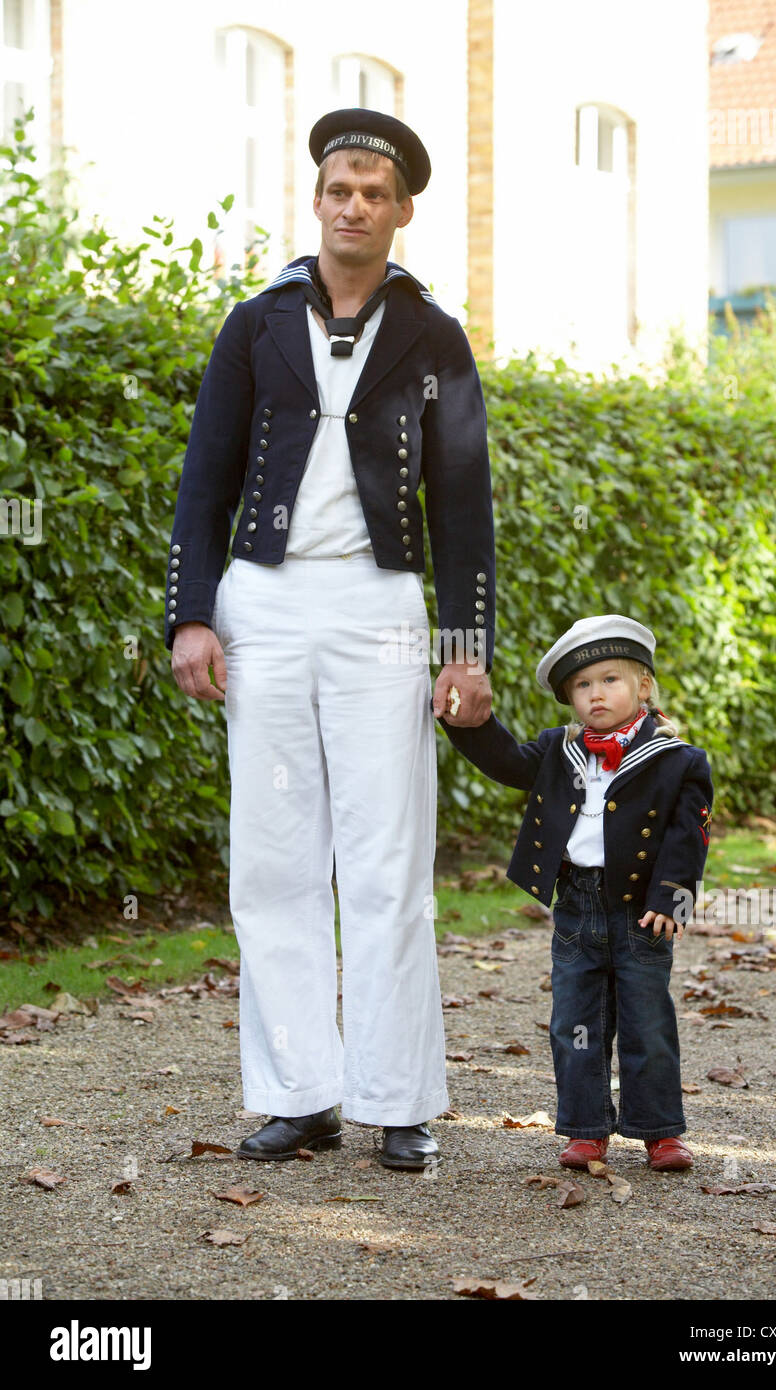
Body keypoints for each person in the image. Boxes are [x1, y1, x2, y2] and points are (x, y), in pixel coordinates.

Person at [164, 108, 495, 1170]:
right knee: (272, 857)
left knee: (389, 855)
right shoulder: (254, 322)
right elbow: (203, 479)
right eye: (337, 188)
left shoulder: (433, 335)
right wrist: (193, 614)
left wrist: (465, 644)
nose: (353, 206)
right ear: (317, 199)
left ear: (402, 211)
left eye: (374, 192)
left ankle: (399, 1099)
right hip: (262, 604)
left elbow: (463, 501)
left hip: (381, 608)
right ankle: (297, 1091)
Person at [439, 615, 713, 1172]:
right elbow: (506, 762)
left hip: (643, 911)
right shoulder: (559, 750)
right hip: (576, 907)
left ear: (644, 686)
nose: (596, 694)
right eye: (583, 686)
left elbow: (690, 835)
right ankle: (586, 1129)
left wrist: (672, 898)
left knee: (647, 1022)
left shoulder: (677, 758)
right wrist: (466, 722)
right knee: (575, 1023)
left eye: (610, 680)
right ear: (570, 698)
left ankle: (659, 1131)